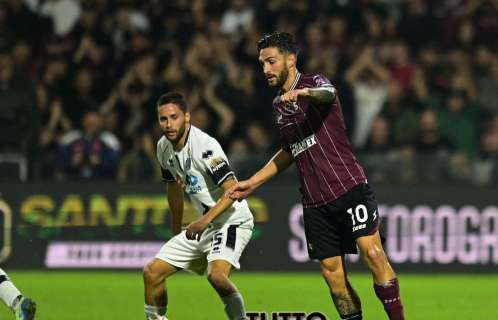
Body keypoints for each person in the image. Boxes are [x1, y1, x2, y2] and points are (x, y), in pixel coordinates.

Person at [227, 32, 405, 320]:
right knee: (333, 277)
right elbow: (289, 150)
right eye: (262, 64)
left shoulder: (315, 84)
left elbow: (329, 94)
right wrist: (253, 182)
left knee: (372, 253)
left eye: (271, 62)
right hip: (314, 203)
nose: (265, 70)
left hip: (348, 187)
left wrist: (305, 93)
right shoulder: (278, 106)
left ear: (291, 59)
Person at [143, 92, 253, 320]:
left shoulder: (206, 147)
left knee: (217, 277)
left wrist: (204, 221)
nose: (169, 124)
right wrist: (176, 230)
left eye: (174, 117)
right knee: (152, 273)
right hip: (203, 225)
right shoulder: (163, 147)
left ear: (187, 117)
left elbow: (233, 190)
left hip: (231, 221)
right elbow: (172, 187)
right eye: (163, 119)